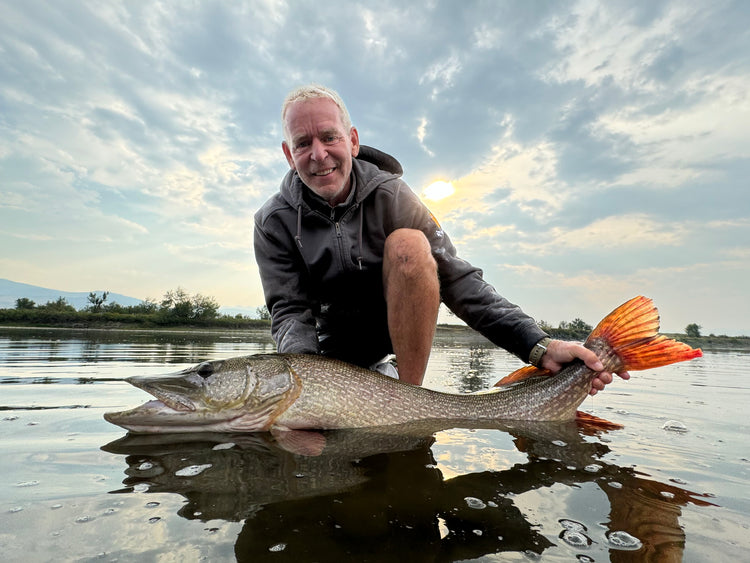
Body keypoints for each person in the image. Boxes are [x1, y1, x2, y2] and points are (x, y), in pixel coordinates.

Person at [254, 84, 628, 393]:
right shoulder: (273, 222)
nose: (318, 154)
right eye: (303, 143)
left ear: (351, 140)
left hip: (392, 346)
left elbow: (458, 281)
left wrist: (539, 346)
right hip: (323, 355)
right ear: (289, 154)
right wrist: (305, 390)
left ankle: (407, 399)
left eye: (329, 137)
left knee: (410, 245)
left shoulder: (395, 196)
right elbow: (289, 311)